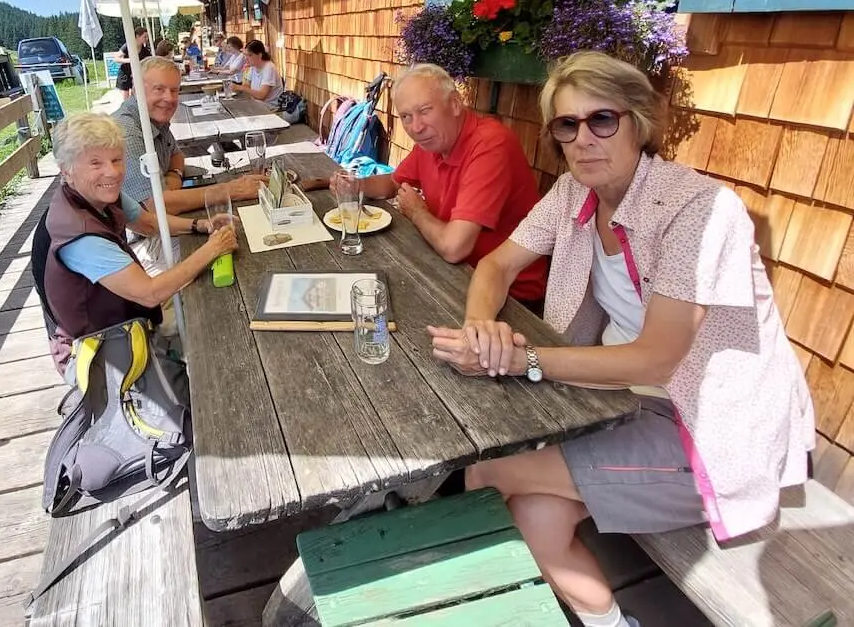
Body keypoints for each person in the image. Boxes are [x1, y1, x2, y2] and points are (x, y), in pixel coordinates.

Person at [427, 51, 815, 627]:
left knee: (485, 472)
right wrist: (482, 326)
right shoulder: (572, 193)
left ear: (639, 122)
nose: (583, 139)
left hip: (710, 430)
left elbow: (660, 358)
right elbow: (495, 267)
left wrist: (521, 358)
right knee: (536, 516)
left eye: (601, 119)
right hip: (622, 402)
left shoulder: (700, 210)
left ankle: (423, 584)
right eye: (567, 125)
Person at [32, 113, 238, 378]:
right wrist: (212, 248)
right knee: (213, 322)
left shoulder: (99, 194)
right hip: (99, 351)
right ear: (66, 170)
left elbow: (148, 224)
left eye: (116, 160)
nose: (113, 172)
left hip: (125, 316)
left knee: (206, 306)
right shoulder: (81, 235)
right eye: (96, 163)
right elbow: (149, 293)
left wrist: (201, 225)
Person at [335, 63, 547, 307]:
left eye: (425, 110)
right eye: (406, 116)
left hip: (510, 296)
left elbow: (454, 248)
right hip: (455, 270)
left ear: (455, 104)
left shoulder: (490, 146)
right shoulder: (434, 140)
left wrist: (417, 212)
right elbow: (392, 183)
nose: (415, 127)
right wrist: (355, 185)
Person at [114, 56, 267, 290]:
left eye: (174, 90)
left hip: (163, 221)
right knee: (238, 255)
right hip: (143, 242)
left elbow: (177, 155)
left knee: (235, 228)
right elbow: (156, 206)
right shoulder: (127, 130)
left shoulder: (153, 117)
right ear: (136, 89)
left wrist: (174, 175)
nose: (169, 98)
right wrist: (232, 190)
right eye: (159, 89)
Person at [229, 39, 282, 104]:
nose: (246, 58)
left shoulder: (269, 68)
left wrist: (241, 88)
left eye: (250, 55)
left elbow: (262, 95)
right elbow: (246, 86)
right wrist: (237, 88)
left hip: (269, 107)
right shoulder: (253, 66)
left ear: (260, 55)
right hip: (256, 103)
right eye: (245, 55)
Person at [114, 25, 151, 98]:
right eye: (145, 37)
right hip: (125, 73)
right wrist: (130, 60)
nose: (147, 39)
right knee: (125, 95)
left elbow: (150, 60)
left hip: (136, 74)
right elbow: (116, 58)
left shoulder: (145, 50)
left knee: (135, 94)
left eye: (147, 37)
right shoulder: (128, 46)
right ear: (137, 36)